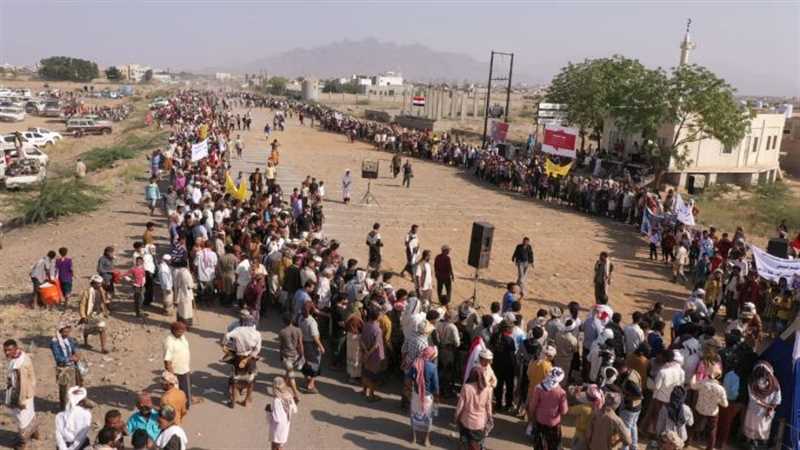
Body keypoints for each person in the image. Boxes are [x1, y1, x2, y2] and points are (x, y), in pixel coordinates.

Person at [4, 339, 38, 449]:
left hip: (21, 395)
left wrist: (20, 400)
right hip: (28, 392)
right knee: (29, 414)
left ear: (15, 348)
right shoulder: (21, 356)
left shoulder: (20, 365)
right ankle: (34, 432)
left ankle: (22, 443)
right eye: (5, 350)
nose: (7, 353)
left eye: (9, 350)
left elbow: (21, 384)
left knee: (21, 418)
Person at [743, 361, 781, 449]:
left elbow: (753, 398)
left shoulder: (752, 381)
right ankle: (759, 445)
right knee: (762, 432)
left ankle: (752, 445)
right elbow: (778, 400)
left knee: (752, 432)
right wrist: (770, 407)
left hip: (753, 410)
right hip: (766, 412)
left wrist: (764, 405)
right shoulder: (775, 384)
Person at [528, 367, 568, 450]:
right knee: (554, 445)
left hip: (540, 421)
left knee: (540, 445)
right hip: (554, 423)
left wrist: (532, 417)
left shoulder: (539, 388)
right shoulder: (561, 392)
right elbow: (564, 411)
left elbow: (532, 406)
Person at [407, 345, 439, 446]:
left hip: (416, 394)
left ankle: (414, 438)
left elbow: (408, 378)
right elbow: (436, 385)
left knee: (414, 415)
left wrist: (409, 390)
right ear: (432, 356)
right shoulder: (433, 367)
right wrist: (437, 397)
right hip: (427, 397)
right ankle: (426, 440)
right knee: (427, 417)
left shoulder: (416, 363)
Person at [454, 366, 493, 450]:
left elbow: (460, 406)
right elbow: (488, 407)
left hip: (466, 421)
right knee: (476, 444)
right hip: (480, 423)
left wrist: (456, 417)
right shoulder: (487, 389)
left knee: (465, 441)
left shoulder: (466, 387)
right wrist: (489, 418)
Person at [690, 365, 727, 450]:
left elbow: (693, 386)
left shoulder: (703, 383)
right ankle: (710, 447)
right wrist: (717, 400)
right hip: (712, 412)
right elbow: (725, 404)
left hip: (700, 408)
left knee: (694, 425)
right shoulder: (721, 389)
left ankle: (688, 441)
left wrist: (694, 376)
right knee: (712, 430)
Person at [50, 321, 83, 410]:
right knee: (64, 389)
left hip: (72, 367)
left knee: (73, 387)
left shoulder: (69, 340)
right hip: (63, 368)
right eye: (66, 331)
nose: (68, 332)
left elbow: (74, 348)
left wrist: (76, 353)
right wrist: (70, 358)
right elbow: (58, 358)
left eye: (68, 330)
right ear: (61, 331)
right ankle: (64, 408)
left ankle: (72, 406)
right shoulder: (55, 342)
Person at [163, 321, 195, 409]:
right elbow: (167, 361)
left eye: (183, 331)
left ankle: (185, 404)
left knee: (184, 389)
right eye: (180, 331)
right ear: (173, 330)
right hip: (177, 372)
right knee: (181, 391)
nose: (182, 333)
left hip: (184, 368)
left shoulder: (181, 336)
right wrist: (172, 376)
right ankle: (183, 407)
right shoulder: (169, 342)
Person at [78, 275, 110, 353]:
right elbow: (82, 304)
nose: (99, 285)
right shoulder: (87, 292)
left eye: (100, 283)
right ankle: (86, 343)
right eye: (98, 283)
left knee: (102, 328)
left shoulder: (102, 291)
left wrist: (105, 311)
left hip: (98, 314)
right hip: (89, 314)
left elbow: (103, 302)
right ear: (93, 283)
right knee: (87, 329)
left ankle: (103, 347)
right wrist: (83, 316)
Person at [360, 307, 386, 402]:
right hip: (375, 356)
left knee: (365, 372)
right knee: (373, 375)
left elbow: (361, 340)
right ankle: (371, 395)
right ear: (377, 317)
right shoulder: (378, 330)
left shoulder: (365, 325)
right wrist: (369, 353)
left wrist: (366, 352)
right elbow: (376, 345)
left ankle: (364, 390)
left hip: (365, 352)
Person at [267, 376, 297, 450]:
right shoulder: (289, 395)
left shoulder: (277, 400)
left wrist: (269, 411)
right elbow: (295, 410)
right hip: (286, 425)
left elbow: (277, 418)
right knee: (280, 445)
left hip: (277, 428)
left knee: (275, 446)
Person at [300, 302, 324, 393]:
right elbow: (315, 337)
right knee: (315, 364)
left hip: (304, 343)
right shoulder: (312, 321)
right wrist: (321, 346)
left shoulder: (301, 318)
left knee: (306, 362)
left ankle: (307, 379)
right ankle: (311, 385)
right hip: (312, 345)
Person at [277, 314, 303, 401]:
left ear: (284, 321)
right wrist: (302, 355)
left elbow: (281, 346)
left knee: (291, 376)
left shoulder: (282, 332)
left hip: (287, 357)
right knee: (288, 374)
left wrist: (280, 356)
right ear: (291, 321)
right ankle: (283, 388)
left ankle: (296, 395)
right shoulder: (298, 330)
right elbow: (300, 344)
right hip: (296, 356)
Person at [172, 260, 195, 326]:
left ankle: (180, 323)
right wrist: (193, 285)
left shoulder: (177, 272)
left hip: (179, 294)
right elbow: (190, 285)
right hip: (186, 294)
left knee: (180, 310)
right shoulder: (186, 272)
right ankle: (185, 324)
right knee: (186, 311)